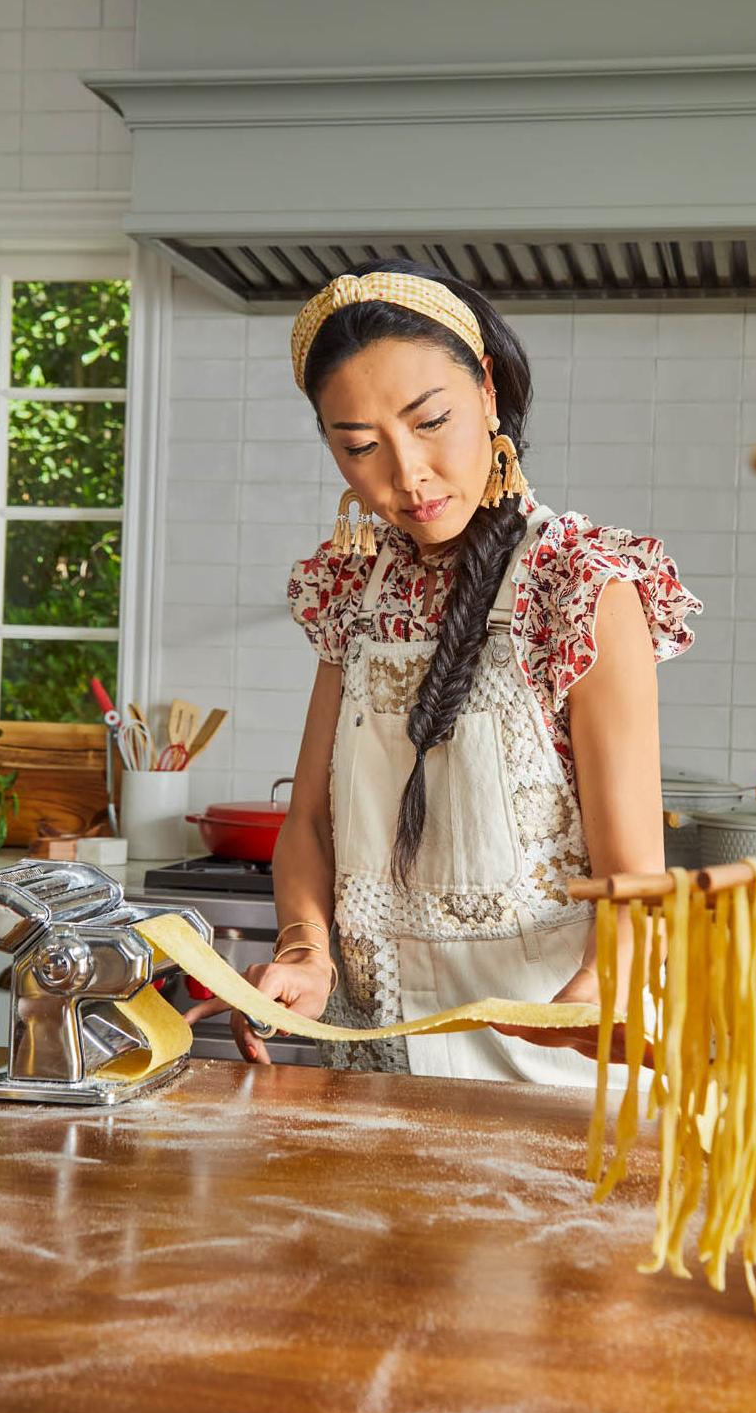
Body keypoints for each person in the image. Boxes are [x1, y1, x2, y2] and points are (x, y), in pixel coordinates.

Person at [185, 261, 700, 1081]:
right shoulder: (354, 589)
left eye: (431, 422)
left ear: (488, 392)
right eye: (359, 446)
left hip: (546, 1076)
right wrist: (306, 953)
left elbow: (632, 879)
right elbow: (310, 825)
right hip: (374, 1073)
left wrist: (606, 982)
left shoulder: (578, 587)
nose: (407, 473)